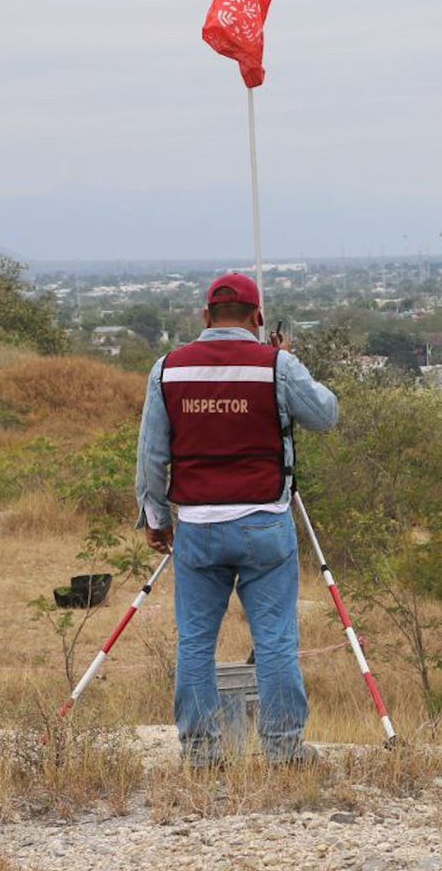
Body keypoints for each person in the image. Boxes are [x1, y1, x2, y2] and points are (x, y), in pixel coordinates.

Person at [134, 273, 338, 767]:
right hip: (264, 523)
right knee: (275, 639)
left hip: (197, 526)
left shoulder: (168, 369)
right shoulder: (276, 366)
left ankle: (201, 752)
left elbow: (152, 456)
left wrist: (156, 518)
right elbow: (325, 415)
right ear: (258, 317)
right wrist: (287, 359)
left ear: (206, 316)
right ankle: (283, 749)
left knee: (195, 642)